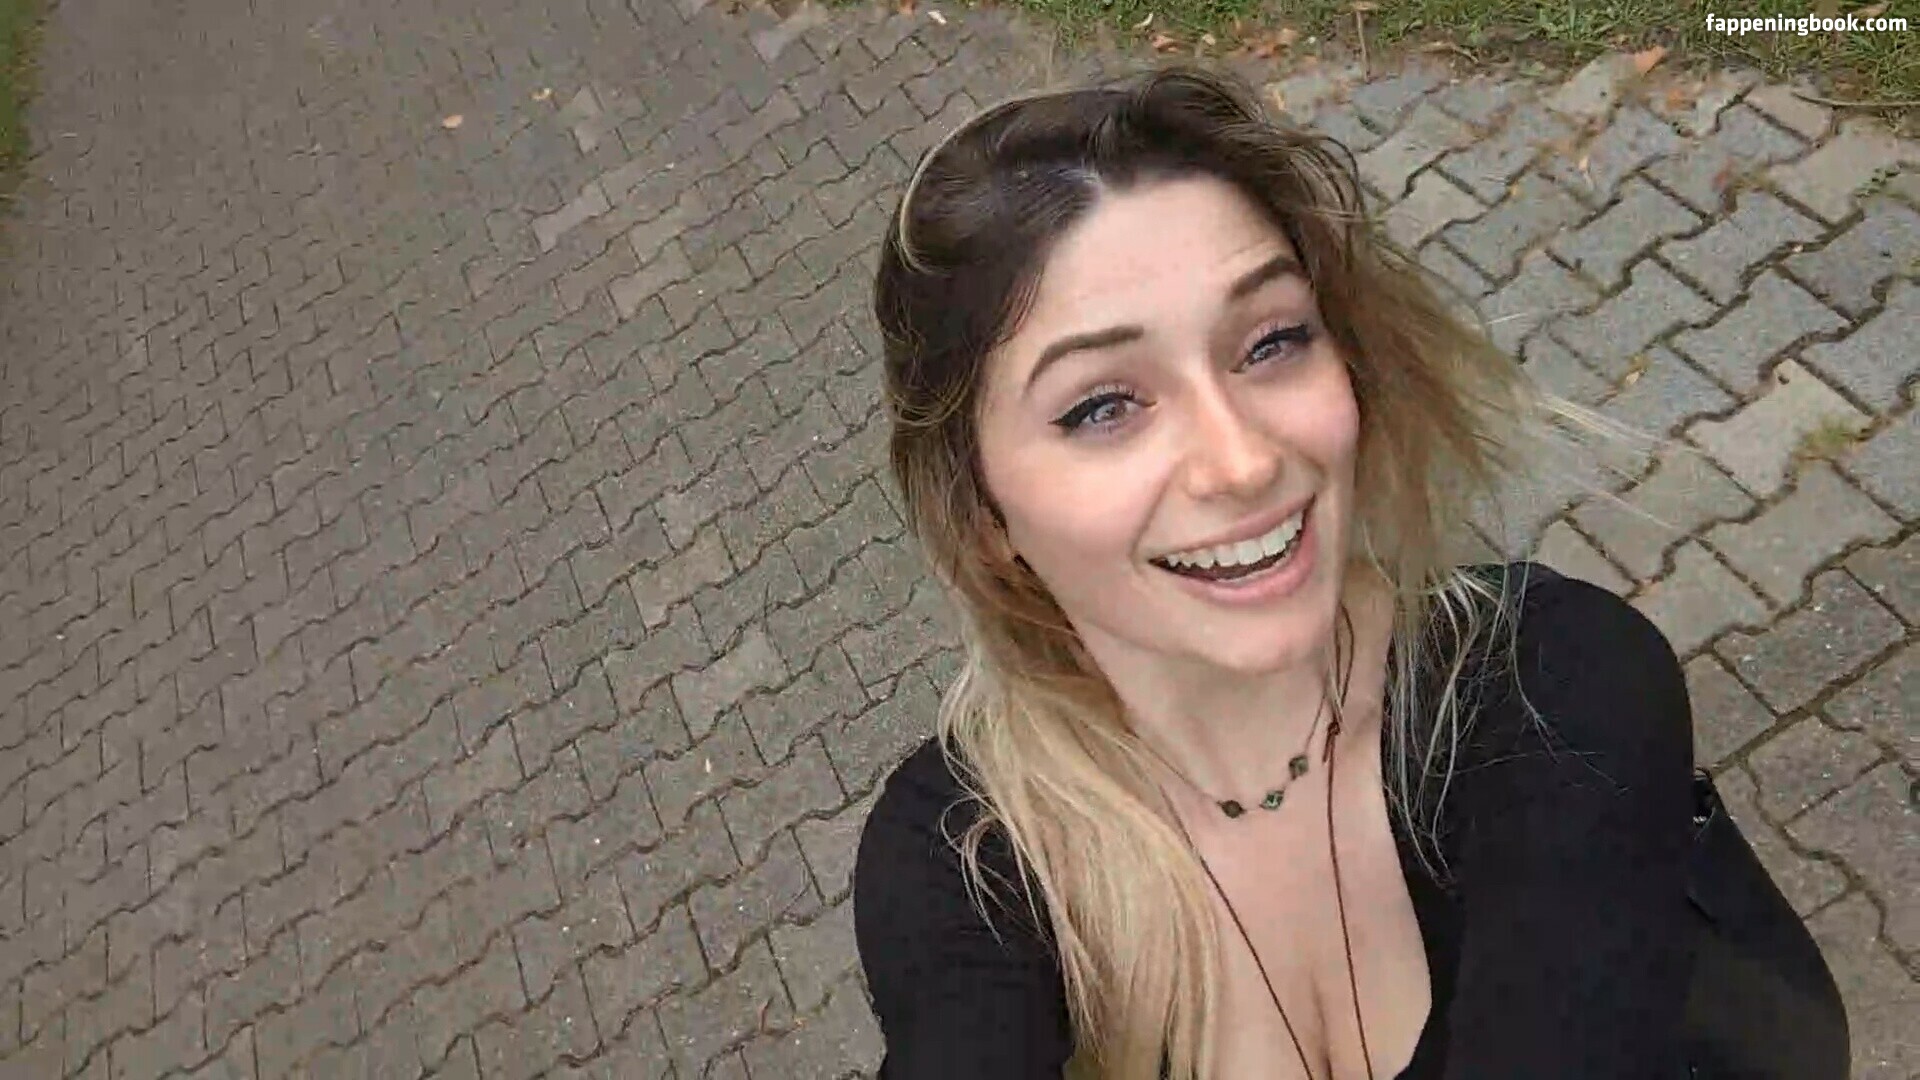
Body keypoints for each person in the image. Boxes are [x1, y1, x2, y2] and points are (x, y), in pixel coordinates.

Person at [852, 66, 1845, 1079]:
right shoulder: (963, 862)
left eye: (1272, 342)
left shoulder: (1551, 685)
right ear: (982, 515)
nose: (1243, 461)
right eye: (1103, 406)